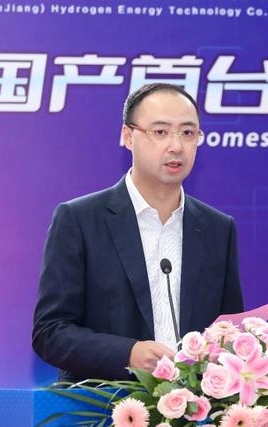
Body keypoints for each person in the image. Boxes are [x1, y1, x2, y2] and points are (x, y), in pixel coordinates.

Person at [32, 83, 244, 383]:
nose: (176, 146)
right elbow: (50, 332)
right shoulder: (79, 220)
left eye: (188, 133)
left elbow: (229, 332)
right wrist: (128, 353)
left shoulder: (217, 229)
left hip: (194, 404)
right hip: (104, 402)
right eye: (160, 132)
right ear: (128, 136)